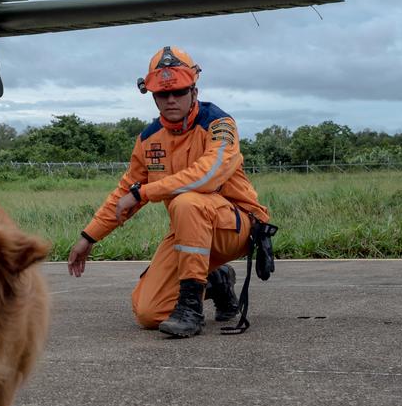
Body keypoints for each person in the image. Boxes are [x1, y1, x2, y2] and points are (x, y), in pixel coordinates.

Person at [66, 46, 270, 338]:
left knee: (187, 202)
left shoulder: (219, 125)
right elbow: (125, 191)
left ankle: (191, 310)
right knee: (149, 313)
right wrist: (89, 237)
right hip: (188, 231)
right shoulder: (149, 139)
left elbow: (208, 176)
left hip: (235, 226)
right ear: (153, 97)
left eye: (180, 91)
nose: (171, 99)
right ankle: (216, 281)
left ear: (194, 92)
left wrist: (145, 192)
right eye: (163, 94)